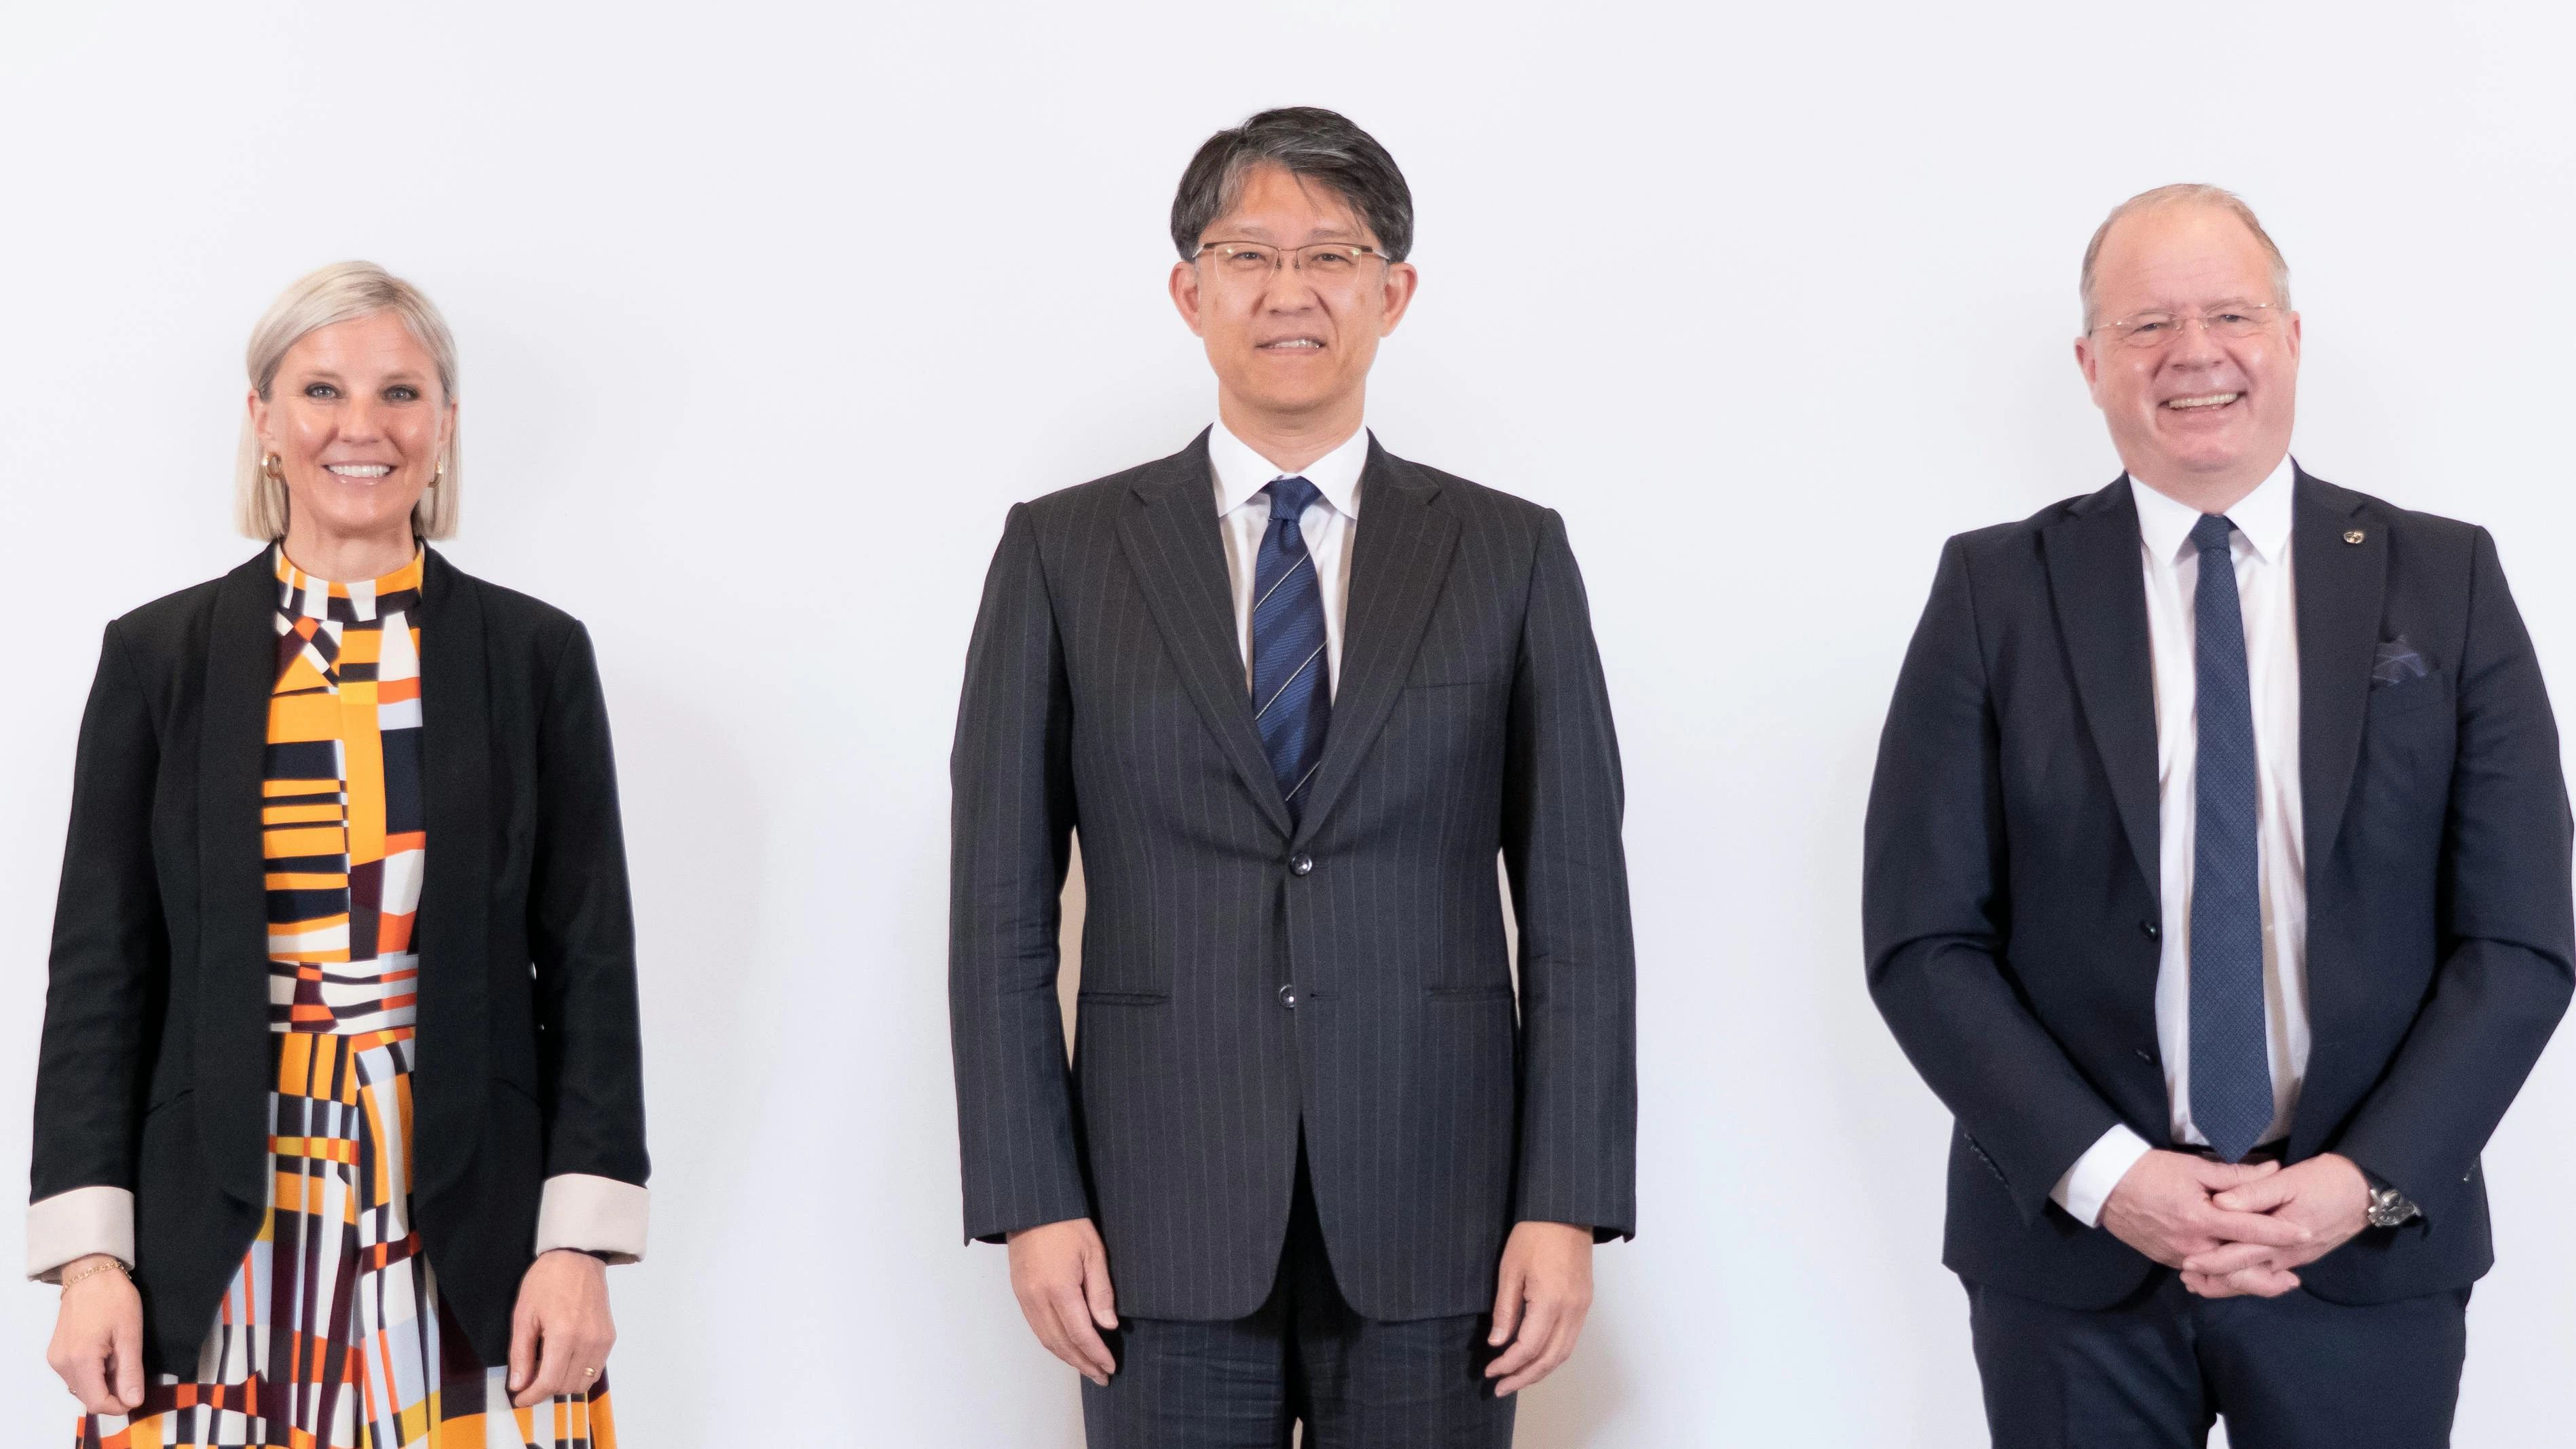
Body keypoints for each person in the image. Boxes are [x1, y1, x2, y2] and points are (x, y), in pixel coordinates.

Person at [949, 107, 1637, 1446]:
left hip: (1443, 1214)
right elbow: (998, 911)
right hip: (1157, 1212)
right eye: (1246, 252)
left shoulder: (1507, 554)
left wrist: (1563, 1200)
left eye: (1331, 254)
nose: (1288, 291)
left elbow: (1577, 914)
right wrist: (1033, 1197)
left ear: (1393, 292)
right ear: (1188, 290)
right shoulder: (1063, 552)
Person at [1864, 183, 2574, 1447]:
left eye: (2230, 313)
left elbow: (2519, 937)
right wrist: (2108, 1176)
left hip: (2364, 1258)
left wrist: (2360, 1185)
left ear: (2291, 340)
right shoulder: (1992, 590)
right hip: (2072, 1263)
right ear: (2089, 364)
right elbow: (1924, 939)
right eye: (2145, 326)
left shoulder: (2447, 577)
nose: (2193, 353)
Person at [29, 261, 651, 1447]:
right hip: (216, 1224)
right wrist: (89, 1257)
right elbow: (100, 973)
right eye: (320, 390)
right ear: (263, 421)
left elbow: (590, 968)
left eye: (401, 393)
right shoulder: (158, 658)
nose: (361, 427)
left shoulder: (534, 657)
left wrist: (576, 1241)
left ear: (445, 427)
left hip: (473, 1226)